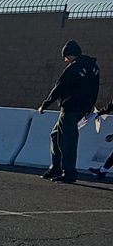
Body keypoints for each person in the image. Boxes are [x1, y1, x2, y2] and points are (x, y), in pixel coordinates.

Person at [38, 40, 100, 184]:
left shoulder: (74, 67)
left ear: (70, 54)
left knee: (68, 141)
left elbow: (59, 87)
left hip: (70, 108)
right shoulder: (93, 67)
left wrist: (45, 104)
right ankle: (56, 167)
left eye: (65, 57)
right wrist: (89, 106)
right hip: (82, 108)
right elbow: (95, 88)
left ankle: (68, 172)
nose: (65, 60)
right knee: (56, 135)